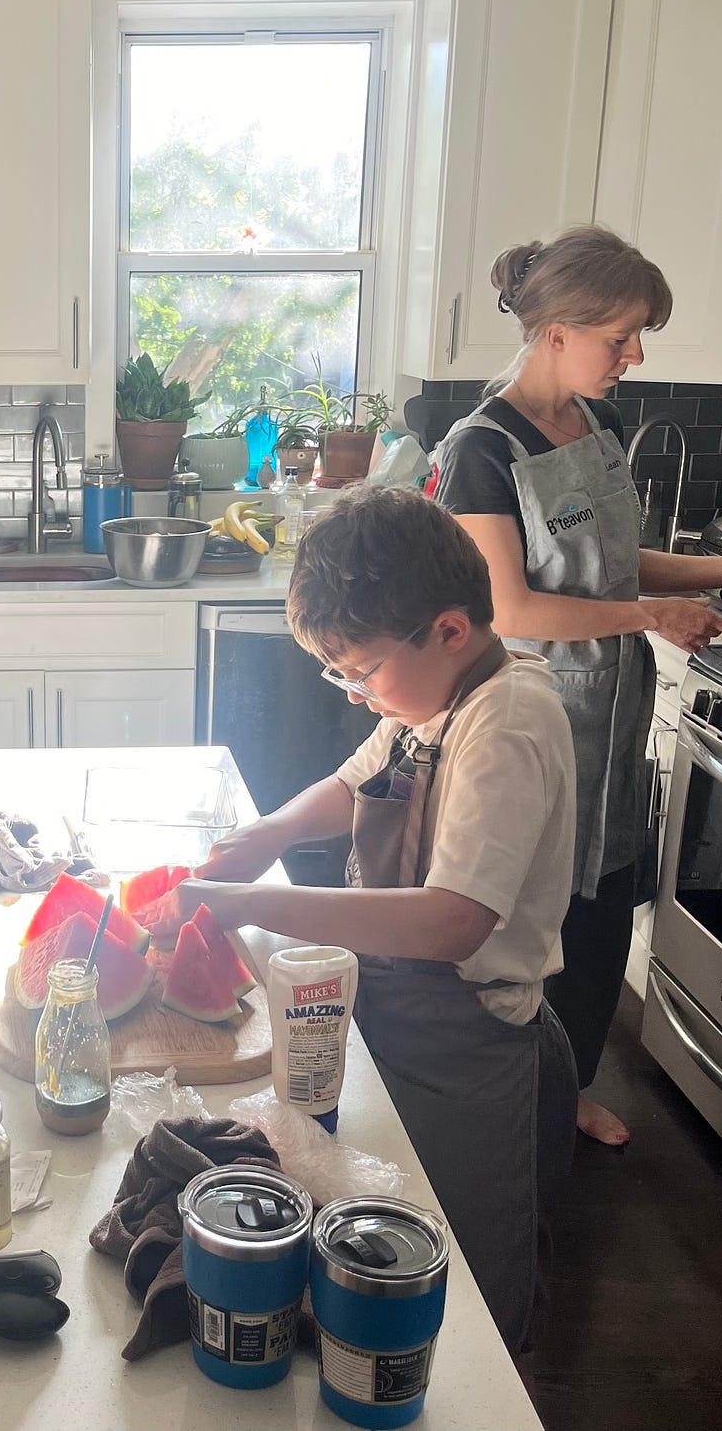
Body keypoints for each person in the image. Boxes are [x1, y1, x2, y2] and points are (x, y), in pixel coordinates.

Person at [136, 486, 578, 1359]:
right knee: (385, 1225)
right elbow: (350, 784)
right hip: (392, 1010)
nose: (353, 693)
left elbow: (453, 921)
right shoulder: (428, 699)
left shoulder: (508, 720)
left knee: (466, 1276)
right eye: (337, 672)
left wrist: (250, 904)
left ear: (449, 630)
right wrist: (270, 833)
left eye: (361, 670)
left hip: (470, 1041)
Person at [432, 226, 722, 1147]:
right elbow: (510, 604)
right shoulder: (482, 447)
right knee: (520, 919)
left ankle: (568, 1087)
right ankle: (495, 1099)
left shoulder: (601, 422)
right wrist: (646, 619)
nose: (636, 355)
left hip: (615, 716)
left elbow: (615, 566)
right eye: (622, 335)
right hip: (534, 716)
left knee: (595, 922)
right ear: (557, 331)